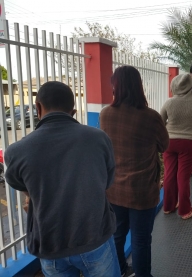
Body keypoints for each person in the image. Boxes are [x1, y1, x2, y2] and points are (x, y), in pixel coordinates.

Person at [4, 81, 120, 277]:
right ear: (73, 111)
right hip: (95, 239)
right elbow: (107, 182)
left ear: (37, 108)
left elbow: (21, 185)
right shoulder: (99, 139)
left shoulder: (16, 151)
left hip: (50, 245)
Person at [100, 66, 169, 277]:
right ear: (139, 87)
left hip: (114, 189)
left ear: (116, 87)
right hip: (143, 190)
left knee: (117, 235)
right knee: (140, 239)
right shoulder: (151, 117)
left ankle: (121, 270)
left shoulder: (106, 114)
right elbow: (164, 145)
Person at [160, 73, 192, 219]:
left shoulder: (168, 103)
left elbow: (160, 122)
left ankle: (168, 206)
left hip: (169, 142)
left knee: (169, 174)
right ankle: (185, 210)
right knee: (183, 176)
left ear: (174, 86)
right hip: (189, 143)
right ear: (190, 86)